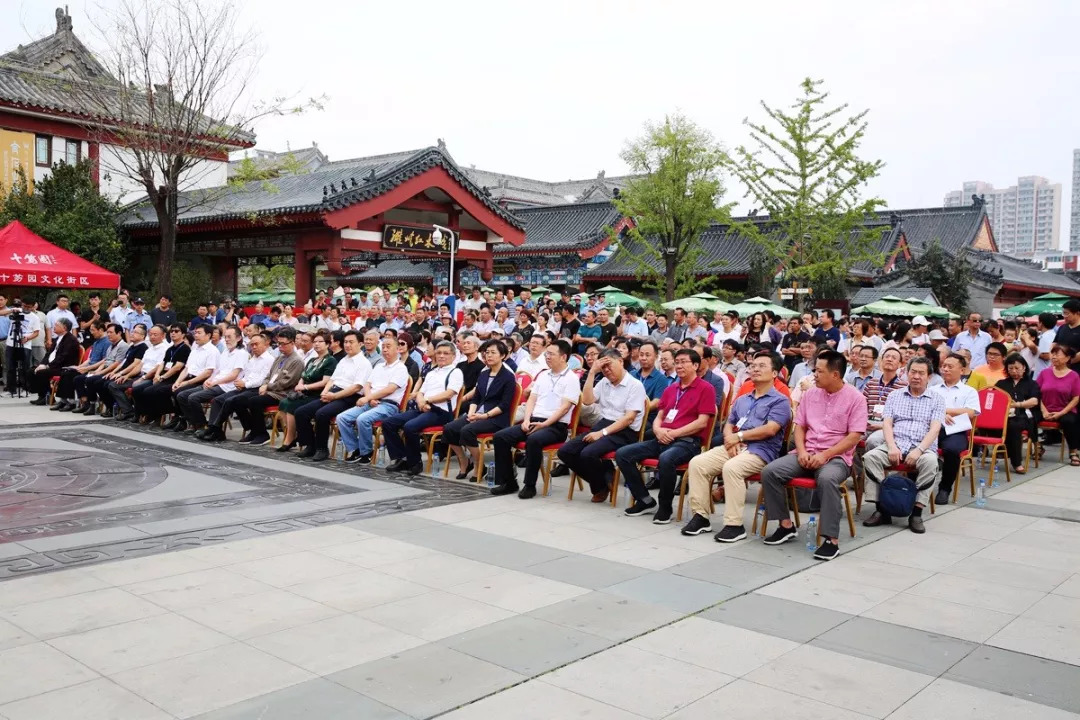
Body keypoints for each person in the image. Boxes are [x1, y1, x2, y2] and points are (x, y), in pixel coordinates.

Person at [759, 350, 867, 561]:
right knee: (770, 472)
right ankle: (785, 525)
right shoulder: (810, 394)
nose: (813, 375)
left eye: (819, 371)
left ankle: (830, 539)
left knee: (827, 479)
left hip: (836, 457)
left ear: (835, 375)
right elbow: (799, 427)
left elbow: (854, 436)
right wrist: (801, 451)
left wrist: (825, 455)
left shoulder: (856, 398)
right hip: (806, 452)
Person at [682, 352, 791, 540]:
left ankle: (734, 525)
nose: (755, 369)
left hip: (761, 451)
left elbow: (771, 429)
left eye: (762, 366)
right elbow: (728, 424)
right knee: (697, 463)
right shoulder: (743, 399)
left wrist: (738, 436)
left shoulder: (780, 400)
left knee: (732, 468)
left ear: (775, 373)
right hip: (734, 446)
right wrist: (730, 439)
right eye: (753, 365)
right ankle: (701, 516)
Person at [617, 349, 717, 523]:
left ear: (695, 365)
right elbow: (660, 416)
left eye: (684, 362)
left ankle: (665, 506)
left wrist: (674, 433)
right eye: (677, 362)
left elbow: (702, 422)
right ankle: (644, 499)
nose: (679, 365)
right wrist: (658, 430)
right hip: (662, 437)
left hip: (687, 442)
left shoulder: (706, 388)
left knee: (666, 459)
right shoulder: (671, 389)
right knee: (623, 454)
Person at [862, 357, 945, 534]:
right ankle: (882, 508)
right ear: (907, 374)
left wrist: (919, 450)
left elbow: (935, 429)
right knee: (870, 457)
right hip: (896, 443)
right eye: (912, 372)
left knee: (931, 463)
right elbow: (887, 423)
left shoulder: (937, 399)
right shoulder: (894, 395)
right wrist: (891, 447)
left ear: (929, 376)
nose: (916, 376)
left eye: (921, 373)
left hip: (922, 447)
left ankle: (916, 512)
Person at [490, 340, 579, 498]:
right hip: (533, 421)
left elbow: (565, 407)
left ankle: (529, 485)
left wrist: (545, 424)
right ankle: (508, 482)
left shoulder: (571, 378)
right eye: (547, 354)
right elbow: (531, 399)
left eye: (551, 354)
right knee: (500, 437)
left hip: (555, 426)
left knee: (534, 440)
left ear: (563, 357)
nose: (547, 357)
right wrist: (525, 419)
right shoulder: (543, 375)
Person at [557, 348, 647, 501]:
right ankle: (601, 483)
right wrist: (592, 372)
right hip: (604, 424)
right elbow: (587, 400)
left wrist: (601, 433)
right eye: (603, 367)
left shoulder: (635, 385)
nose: (606, 370)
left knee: (588, 453)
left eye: (609, 365)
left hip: (624, 431)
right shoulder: (604, 382)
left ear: (620, 361)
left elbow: (629, 419)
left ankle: (602, 480)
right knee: (566, 451)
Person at [382, 340, 464, 475]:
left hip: (442, 412)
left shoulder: (456, 372)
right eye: (439, 353)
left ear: (453, 356)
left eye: (446, 353)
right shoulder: (432, 372)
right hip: (423, 407)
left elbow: (449, 394)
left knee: (410, 427)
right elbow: (420, 391)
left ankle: (415, 463)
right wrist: (421, 401)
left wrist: (427, 400)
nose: (441, 356)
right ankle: (402, 458)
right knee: (389, 423)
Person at [442, 339, 516, 481]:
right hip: (477, 413)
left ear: (502, 355)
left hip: (496, 417)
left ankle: (479, 464)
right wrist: (471, 413)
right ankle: (464, 461)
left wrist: (484, 416)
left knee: (467, 430)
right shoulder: (484, 374)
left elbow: (504, 405)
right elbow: (476, 398)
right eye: (487, 352)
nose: (489, 356)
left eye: (493, 353)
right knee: (449, 428)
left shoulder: (508, 377)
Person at [295, 330, 373, 461]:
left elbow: (356, 387)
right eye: (346, 342)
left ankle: (322, 449)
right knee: (301, 412)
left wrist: (334, 396)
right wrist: (325, 392)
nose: (347, 345)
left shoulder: (364, 363)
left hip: (349, 397)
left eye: (351, 342)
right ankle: (310, 445)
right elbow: (332, 379)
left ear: (360, 344)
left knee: (322, 413)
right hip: (333, 392)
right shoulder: (343, 360)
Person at [336, 335, 411, 463]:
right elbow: (367, 384)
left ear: (398, 349)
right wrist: (369, 398)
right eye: (383, 347)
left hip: (388, 405)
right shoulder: (379, 366)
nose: (385, 350)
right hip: (371, 402)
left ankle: (367, 452)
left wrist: (368, 398)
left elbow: (390, 389)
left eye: (388, 346)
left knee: (362, 419)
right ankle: (355, 449)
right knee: (342, 418)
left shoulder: (400, 368)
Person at [230, 327, 307, 446]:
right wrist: (265, 384)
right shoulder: (279, 358)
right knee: (239, 400)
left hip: (282, 393)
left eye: (283, 344)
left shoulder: (297, 361)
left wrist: (268, 386)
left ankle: (262, 433)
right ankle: (253, 430)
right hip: (270, 390)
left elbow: (287, 382)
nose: (280, 347)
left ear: (292, 343)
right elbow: (269, 375)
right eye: (278, 344)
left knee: (255, 401)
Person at [177, 325, 247, 433]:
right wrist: (209, 380)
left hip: (227, 386)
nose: (227, 340)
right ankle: (195, 423)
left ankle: (202, 426)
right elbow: (217, 370)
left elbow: (233, 375)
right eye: (225, 337)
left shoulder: (242, 353)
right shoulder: (225, 352)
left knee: (193, 398)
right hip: (216, 383)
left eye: (229, 337)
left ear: (238, 338)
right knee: (182, 395)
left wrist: (215, 382)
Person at [931, 353, 981, 504]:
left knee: (952, 450)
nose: (945, 369)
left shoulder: (969, 391)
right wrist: (940, 414)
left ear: (962, 370)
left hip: (955, 431)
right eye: (944, 366)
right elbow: (926, 408)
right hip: (933, 429)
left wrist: (943, 411)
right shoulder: (933, 389)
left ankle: (945, 488)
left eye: (950, 367)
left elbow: (971, 412)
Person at [276, 331, 338, 451]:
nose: (317, 344)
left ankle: (293, 438)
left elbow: (325, 382)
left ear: (327, 344)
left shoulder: (330, 361)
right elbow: (303, 376)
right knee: (284, 402)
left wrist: (305, 387)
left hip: (316, 394)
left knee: (292, 406)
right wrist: (300, 384)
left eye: (320, 342)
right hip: (304, 393)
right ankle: (291, 433)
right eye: (315, 342)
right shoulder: (312, 360)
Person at [160, 325, 222, 432]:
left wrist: (186, 383)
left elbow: (207, 373)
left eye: (199, 333)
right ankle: (183, 419)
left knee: (181, 394)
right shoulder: (195, 348)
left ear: (208, 335)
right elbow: (186, 368)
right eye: (195, 333)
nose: (196, 335)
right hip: (190, 378)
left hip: (202, 381)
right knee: (172, 389)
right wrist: (178, 381)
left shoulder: (212, 351)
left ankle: (199, 424)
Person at [106, 324, 164, 420]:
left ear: (162, 336)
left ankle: (142, 413)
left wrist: (142, 378)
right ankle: (129, 411)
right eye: (151, 334)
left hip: (150, 377)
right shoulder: (149, 349)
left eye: (155, 334)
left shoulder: (163, 349)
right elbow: (139, 365)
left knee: (137, 387)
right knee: (113, 385)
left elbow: (157, 368)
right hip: (140, 375)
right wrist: (126, 376)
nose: (152, 337)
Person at [996, 353, 1040, 474]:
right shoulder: (1001, 383)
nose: (1014, 371)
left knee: (1014, 426)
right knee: (1001, 424)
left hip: (1025, 415)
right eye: (1010, 368)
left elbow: (1034, 401)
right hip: (1005, 415)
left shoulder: (1031, 383)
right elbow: (995, 398)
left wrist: (1018, 404)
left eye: (1017, 368)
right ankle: (1002, 451)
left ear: (1024, 368)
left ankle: (1016, 462)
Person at [52, 320, 110, 411]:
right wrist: (80, 367)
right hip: (89, 367)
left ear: (101, 330)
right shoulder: (96, 342)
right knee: (67, 371)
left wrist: (87, 368)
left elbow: (104, 360)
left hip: (96, 368)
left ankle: (74, 402)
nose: (91, 333)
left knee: (73, 376)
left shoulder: (107, 343)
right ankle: (63, 400)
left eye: (93, 330)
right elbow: (90, 359)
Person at [1037, 345, 1080, 466]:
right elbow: (1036, 393)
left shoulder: (1074, 376)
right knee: (1027, 419)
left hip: (1064, 410)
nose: (1053, 357)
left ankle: (1073, 452)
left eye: (1057, 354)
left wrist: (1061, 413)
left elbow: (1076, 398)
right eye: (1053, 354)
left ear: (1067, 358)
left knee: (1070, 421)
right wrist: (1044, 411)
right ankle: (1037, 446)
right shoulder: (1044, 373)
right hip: (1044, 409)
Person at [862, 347, 908, 449]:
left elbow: (903, 416)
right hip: (867, 424)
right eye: (887, 356)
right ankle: (859, 466)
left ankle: (872, 464)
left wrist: (882, 425)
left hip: (887, 426)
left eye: (893, 358)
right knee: (849, 438)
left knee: (872, 441)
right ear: (881, 361)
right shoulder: (871, 383)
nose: (889, 359)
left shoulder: (904, 387)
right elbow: (861, 407)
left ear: (900, 364)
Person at [28, 317, 80, 405]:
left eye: (56, 325)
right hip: (53, 365)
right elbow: (48, 354)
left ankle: (48, 397)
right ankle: (42, 396)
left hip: (63, 367)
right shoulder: (57, 338)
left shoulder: (71, 340)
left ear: (64, 328)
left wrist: (48, 366)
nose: (54, 327)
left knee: (42, 372)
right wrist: (42, 364)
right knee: (31, 371)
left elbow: (63, 357)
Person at [1054, 298, 1080, 370]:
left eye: (1066, 313)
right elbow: (1054, 343)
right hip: (1059, 368)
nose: (1064, 316)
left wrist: (1066, 361)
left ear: (1077, 313)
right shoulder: (1062, 327)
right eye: (1063, 313)